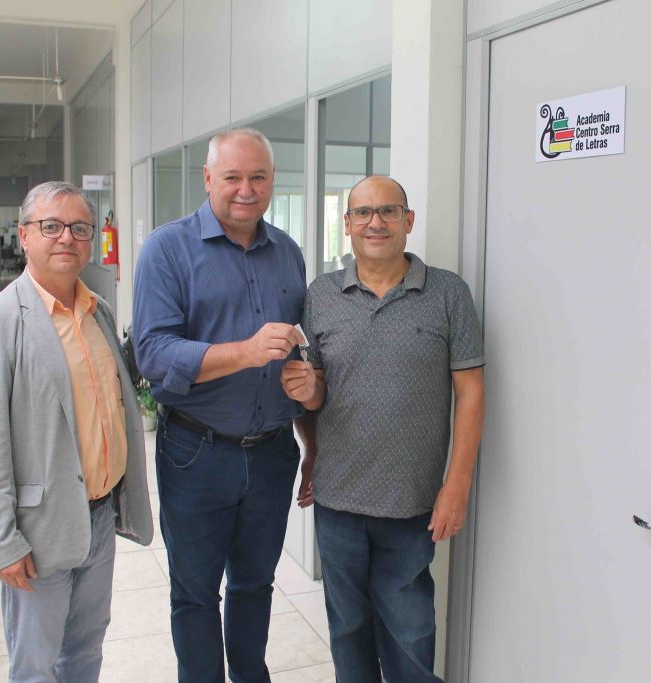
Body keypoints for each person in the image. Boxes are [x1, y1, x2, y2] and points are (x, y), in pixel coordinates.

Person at [281, 176, 485, 683]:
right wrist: (309, 443)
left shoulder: (448, 293)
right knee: (348, 630)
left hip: (411, 502)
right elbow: (317, 394)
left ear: (408, 221)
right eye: (364, 213)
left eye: (389, 211)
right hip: (337, 500)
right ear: (347, 224)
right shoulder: (322, 295)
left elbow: (471, 393)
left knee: (410, 635)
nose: (376, 222)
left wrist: (456, 485)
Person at [132, 128, 314, 683]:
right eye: (232, 177)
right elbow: (152, 354)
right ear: (208, 178)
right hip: (197, 452)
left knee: (256, 585)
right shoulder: (167, 249)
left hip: (273, 453)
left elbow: (301, 359)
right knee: (194, 595)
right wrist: (245, 352)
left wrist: (312, 443)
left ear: (272, 180)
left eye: (258, 177)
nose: (246, 189)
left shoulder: (288, 252)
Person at [0, 181, 154, 682]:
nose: (66, 237)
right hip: (38, 531)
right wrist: (2, 543)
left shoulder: (98, 312)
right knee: (36, 665)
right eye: (51, 226)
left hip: (99, 517)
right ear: (24, 235)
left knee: (85, 650)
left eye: (79, 228)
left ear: (91, 240)